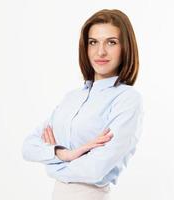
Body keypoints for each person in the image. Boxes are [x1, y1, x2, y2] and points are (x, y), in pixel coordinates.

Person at [22, 9, 144, 200]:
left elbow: (95, 170)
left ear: (125, 48)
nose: (100, 51)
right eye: (93, 42)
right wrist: (66, 154)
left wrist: (51, 164)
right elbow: (28, 147)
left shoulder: (127, 99)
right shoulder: (71, 98)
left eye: (111, 42)